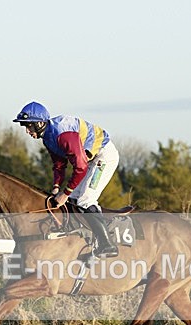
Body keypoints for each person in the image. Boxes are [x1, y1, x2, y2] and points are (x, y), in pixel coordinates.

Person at [13, 101, 120, 258]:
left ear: (40, 123)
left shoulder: (63, 135)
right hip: (89, 160)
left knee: (85, 199)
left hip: (103, 156)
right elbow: (59, 164)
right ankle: (83, 240)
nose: (27, 131)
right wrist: (56, 186)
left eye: (29, 126)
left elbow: (80, 167)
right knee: (73, 200)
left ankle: (107, 244)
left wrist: (65, 192)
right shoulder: (48, 138)